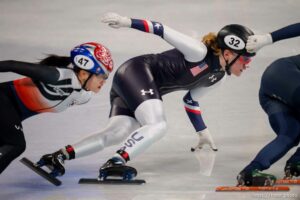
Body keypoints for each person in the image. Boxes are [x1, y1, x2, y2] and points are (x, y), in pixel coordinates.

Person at [39, 12, 255, 180]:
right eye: (245, 59)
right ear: (228, 53)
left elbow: (190, 100)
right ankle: (116, 161)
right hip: (137, 72)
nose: (248, 65)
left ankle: (59, 156)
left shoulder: (218, 77)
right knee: (158, 124)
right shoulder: (198, 52)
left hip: (135, 85)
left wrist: (203, 133)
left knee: (115, 133)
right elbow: (161, 29)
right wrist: (126, 21)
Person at [0, 42, 113, 175]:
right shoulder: (56, 76)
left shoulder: (83, 96)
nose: (104, 81)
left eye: (106, 76)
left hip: (12, 113)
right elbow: (11, 64)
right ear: (83, 74)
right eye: (101, 75)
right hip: (3, 99)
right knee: (16, 145)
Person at [237, 23, 300, 186]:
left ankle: (250, 173)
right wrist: (268, 38)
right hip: (286, 74)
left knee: (291, 133)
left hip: (271, 90)